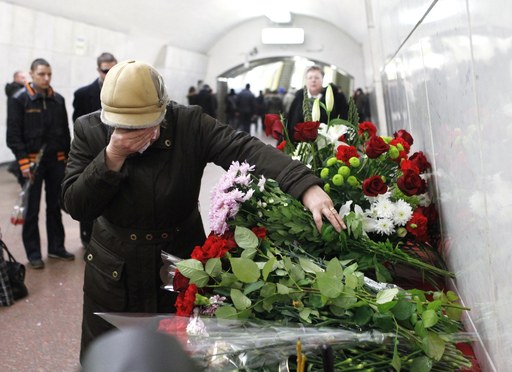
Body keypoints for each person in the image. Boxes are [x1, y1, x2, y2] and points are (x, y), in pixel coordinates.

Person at [60, 60, 345, 361]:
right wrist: (112, 156)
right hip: (114, 268)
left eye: (145, 124)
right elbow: (76, 204)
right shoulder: (89, 130)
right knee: (111, 359)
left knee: (182, 355)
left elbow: (243, 148)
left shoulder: (188, 123)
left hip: (180, 258)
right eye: (126, 126)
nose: (137, 133)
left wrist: (303, 185)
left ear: (162, 108)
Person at [6, 58, 74, 269]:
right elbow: (13, 135)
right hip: (32, 163)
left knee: (55, 206)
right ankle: (34, 253)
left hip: (56, 162)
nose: (46, 78)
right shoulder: (19, 99)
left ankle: (56, 248)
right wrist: (23, 163)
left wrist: (68, 157)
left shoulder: (58, 100)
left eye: (49, 74)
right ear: (32, 74)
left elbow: (65, 132)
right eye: (41, 74)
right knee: (32, 210)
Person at [72, 52, 118, 249]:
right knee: (89, 191)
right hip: (92, 152)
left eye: (113, 70)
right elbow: (78, 124)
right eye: (105, 70)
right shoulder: (83, 94)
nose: (109, 74)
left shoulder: (123, 90)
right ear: (98, 70)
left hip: (117, 151)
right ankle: (87, 237)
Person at [286, 66, 348, 141]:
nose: (313, 80)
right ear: (306, 80)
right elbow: (291, 121)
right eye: (310, 78)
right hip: (301, 143)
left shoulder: (335, 97)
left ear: (322, 79)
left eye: (317, 78)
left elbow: (343, 119)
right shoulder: (298, 98)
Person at [5, 71, 29, 185]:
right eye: (22, 77)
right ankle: (16, 168)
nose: (25, 80)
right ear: (15, 78)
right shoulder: (17, 93)